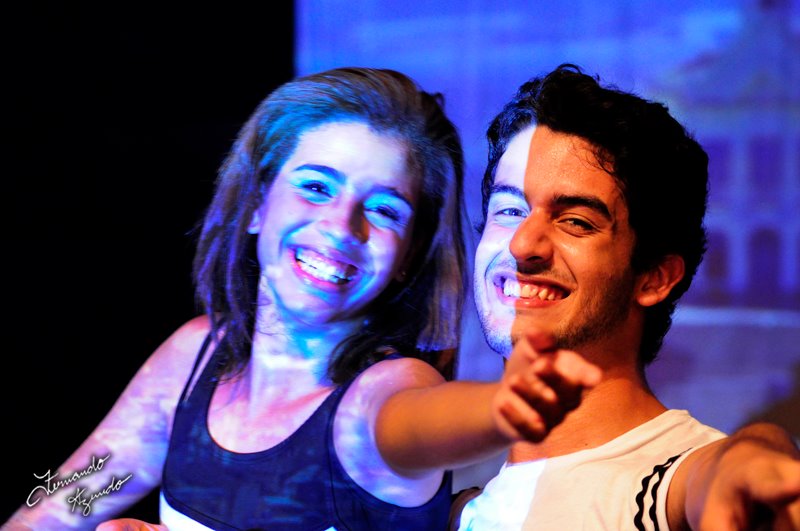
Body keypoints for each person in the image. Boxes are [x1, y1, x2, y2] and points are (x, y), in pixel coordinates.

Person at [3, 67, 601, 531]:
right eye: (316, 187)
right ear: (257, 203)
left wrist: (499, 408)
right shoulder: (194, 356)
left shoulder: (386, 390)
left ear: (410, 255)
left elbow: (422, 422)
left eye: (383, 209)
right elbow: (71, 497)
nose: (341, 227)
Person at [451, 64, 800, 530]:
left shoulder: (685, 483)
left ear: (654, 278)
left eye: (576, 221)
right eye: (510, 209)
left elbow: (729, 471)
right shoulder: (465, 511)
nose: (522, 243)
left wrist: (757, 449)